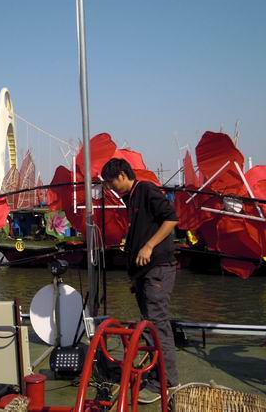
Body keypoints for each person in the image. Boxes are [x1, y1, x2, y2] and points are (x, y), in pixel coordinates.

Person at [101, 158, 180, 404]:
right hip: (144, 273)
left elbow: (171, 218)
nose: (110, 187)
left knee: (156, 324)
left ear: (122, 175)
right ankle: (159, 376)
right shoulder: (131, 198)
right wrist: (135, 275)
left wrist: (149, 245)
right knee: (149, 324)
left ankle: (166, 382)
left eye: (111, 182)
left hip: (158, 268)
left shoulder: (145, 189)